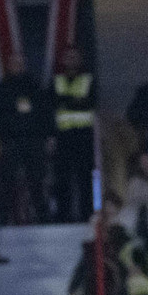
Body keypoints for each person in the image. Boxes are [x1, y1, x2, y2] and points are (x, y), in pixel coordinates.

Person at [0, 55, 51, 224]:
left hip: (33, 141)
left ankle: (43, 218)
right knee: (6, 182)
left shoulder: (35, 87)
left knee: (37, 181)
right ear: (8, 65)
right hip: (9, 142)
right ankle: (3, 220)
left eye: (20, 63)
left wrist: (49, 136)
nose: (17, 66)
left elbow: (46, 114)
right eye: (14, 63)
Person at [49, 47, 97, 223]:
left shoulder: (88, 80)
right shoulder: (56, 81)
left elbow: (90, 102)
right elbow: (51, 104)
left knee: (85, 178)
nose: (71, 60)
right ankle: (64, 216)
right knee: (63, 178)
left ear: (80, 59)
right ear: (63, 60)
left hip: (83, 137)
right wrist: (76, 100)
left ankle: (87, 214)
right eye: (68, 57)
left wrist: (65, 100)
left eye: (75, 56)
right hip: (63, 137)